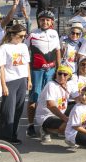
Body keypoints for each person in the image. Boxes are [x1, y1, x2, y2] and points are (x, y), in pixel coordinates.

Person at [26, 10, 61, 138]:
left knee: (49, 98)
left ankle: (47, 125)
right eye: (42, 20)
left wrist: (59, 67)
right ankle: (30, 125)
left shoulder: (54, 33)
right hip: (37, 70)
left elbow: (57, 51)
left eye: (47, 20)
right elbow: (24, 52)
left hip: (51, 70)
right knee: (34, 97)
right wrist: (27, 73)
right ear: (39, 21)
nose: (45, 22)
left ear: (52, 22)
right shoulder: (32, 34)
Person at [0, 24, 31, 144]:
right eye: (20, 36)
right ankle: (4, 136)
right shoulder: (4, 48)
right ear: (12, 34)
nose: (23, 38)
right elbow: (1, 67)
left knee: (18, 109)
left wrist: (29, 79)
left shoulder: (23, 46)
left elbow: (26, 63)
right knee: (8, 110)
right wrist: (3, 85)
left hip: (22, 79)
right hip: (10, 80)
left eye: (24, 36)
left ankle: (13, 134)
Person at [34, 65, 76, 143]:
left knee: (77, 111)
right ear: (56, 74)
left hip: (60, 113)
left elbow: (79, 98)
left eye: (65, 74)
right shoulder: (51, 85)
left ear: (69, 76)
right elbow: (51, 105)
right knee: (70, 123)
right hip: (47, 116)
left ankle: (63, 130)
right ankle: (45, 129)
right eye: (59, 73)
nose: (62, 76)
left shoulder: (70, 84)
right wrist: (65, 118)